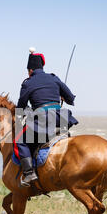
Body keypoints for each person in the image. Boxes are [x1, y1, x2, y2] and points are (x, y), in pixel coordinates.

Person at [14, 48, 79, 187]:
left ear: (30, 70)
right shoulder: (54, 78)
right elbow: (71, 98)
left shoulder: (28, 83)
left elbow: (21, 107)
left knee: (20, 141)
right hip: (61, 119)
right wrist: (62, 97)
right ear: (42, 66)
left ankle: (29, 173)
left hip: (43, 121)